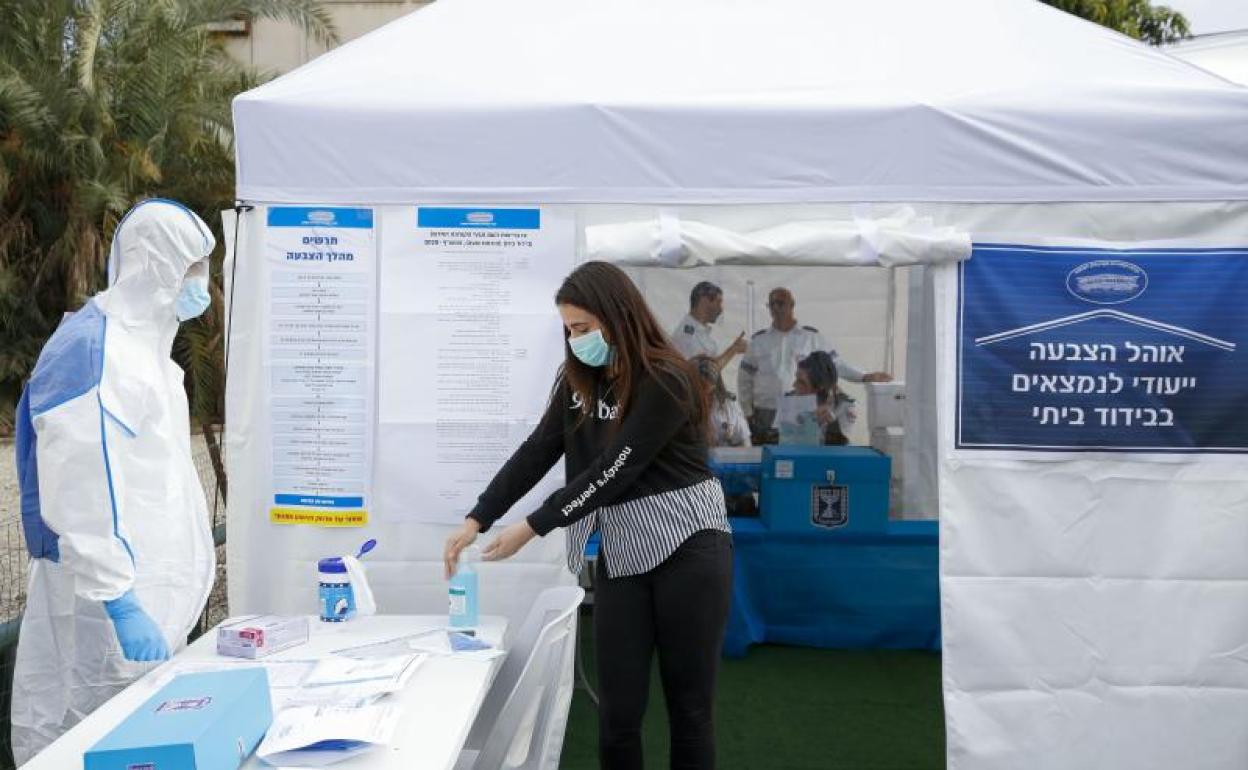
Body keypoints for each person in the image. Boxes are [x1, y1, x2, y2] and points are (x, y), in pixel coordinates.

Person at [444, 261, 733, 770]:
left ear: (618, 316)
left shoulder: (667, 380)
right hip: (624, 551)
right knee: (617, 713)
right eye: (569, 330)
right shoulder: (579, 380)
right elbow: (539, 449)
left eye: (582, 328)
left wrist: (532, 526)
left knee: (690, 710)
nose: (575, 340)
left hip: (690, 545)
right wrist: (478, 518)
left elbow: (613, 471)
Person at [11, 199, 217, 762]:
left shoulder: (147, 351)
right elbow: (77, 486)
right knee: (81, 736)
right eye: (191, 267)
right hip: (101, 609)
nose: (201, 283)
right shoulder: (93, 351)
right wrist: (119, 597)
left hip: (148, 602)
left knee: (133, 740)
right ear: (155, 265)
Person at [738, 287, 889, 441]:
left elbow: (836, 364)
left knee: (798, 454)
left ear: (792, 304)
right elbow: (744, 379)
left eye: (781, 303)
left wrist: (863, 377)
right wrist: (747, 413)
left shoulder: (811, 337)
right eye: (772, 304)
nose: (776, 308)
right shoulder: (758, 341)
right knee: (767, 458)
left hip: (801, 410)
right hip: (764, 412)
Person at [670, 280, 746, 368]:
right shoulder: (687, 336)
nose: (721, 309)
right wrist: (733, 350)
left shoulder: (699, 332)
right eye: (718, 302)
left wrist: (734, 348)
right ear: (704, 301)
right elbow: (703, 373)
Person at [789, 350, 857, 445]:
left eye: (802, 382)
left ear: (820, 386)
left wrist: (832, 424)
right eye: (796, 378)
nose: (794, 385)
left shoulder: (844, 404)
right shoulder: (790, 398)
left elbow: (841, 446)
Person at [692, 355, 750, 447]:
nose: (704, 394)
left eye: (708, 389)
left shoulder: (729, 405)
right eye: (700, 388)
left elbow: (744, 440)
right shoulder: (686, 405)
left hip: (724, 455)